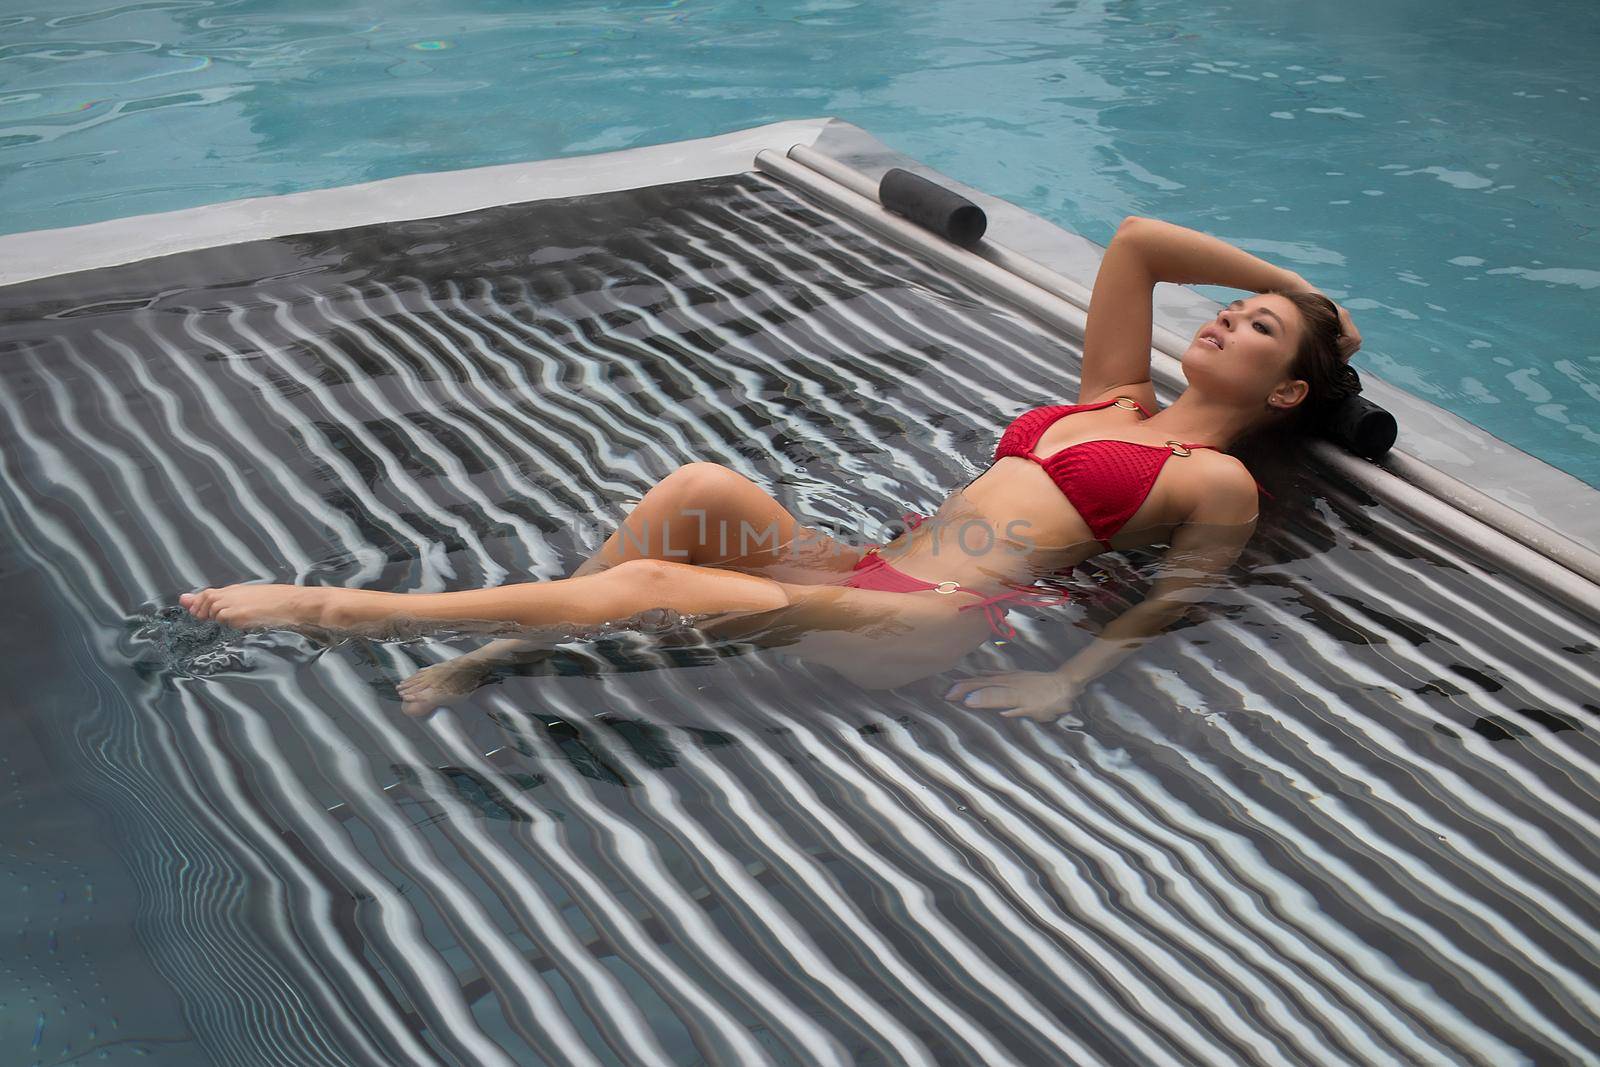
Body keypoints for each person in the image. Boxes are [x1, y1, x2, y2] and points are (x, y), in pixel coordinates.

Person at [179, 216, 1362, 721]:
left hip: (923, 627)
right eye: (1233, 307)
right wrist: (1308, 297)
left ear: (1287, 391)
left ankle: (354, 614)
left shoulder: (1218, 480)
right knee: (699, 488)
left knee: (653, 586)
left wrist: (1068, 681)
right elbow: (1139, 244)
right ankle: (511, 646)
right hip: (871, 570)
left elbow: (1182, 593)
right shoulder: (1115, 397)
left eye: (1258, 330)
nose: (1223, 320)